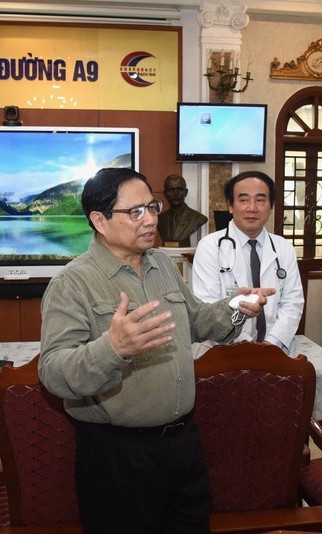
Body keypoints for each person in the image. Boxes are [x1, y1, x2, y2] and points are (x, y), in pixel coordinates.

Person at [37, 167, 273, 533]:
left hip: (183, 445)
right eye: (135, 212)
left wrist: (234, 306)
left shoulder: (163, 263)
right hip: (118, 456)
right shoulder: (73, 283)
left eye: (152, 207)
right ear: (99, 220)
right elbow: (53, 371)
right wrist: (113, 349)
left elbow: (196, 321)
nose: (149, 219)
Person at [191, 171, 303, 356]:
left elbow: (293, 303)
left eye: (260, 200)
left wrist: (270, 346)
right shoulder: (209, 247)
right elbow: (207, 307)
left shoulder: (284, 248)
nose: (252, 208)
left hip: (276, 353)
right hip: (224, 351)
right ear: (230, 205)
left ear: (271, 206)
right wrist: (248, 348)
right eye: (243, 200)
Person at [157, 174, 208, 247]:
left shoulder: (197, 218)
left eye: (180, 189)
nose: (176, 194)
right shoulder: (159, 219)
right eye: (171, 190)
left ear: (186, 192)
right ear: (165, 194)